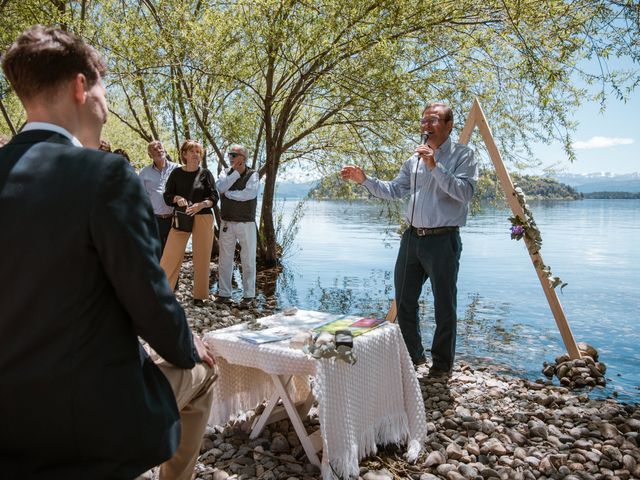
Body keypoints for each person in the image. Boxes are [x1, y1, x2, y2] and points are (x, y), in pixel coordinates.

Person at [0, 26, 216, 480]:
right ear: (82, 87)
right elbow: (150, 304)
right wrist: (186, 344)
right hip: (82, 422)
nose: (106, 102)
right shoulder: (105, 176)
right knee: (204, 372)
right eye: (104, 87)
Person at [341, 102, 478, 377]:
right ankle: (415, 356)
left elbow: (465, 193)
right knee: (404, 300)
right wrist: (365, 180)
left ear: (449, 125)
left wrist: (435, 166)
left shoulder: (464, 155)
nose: (426, 126)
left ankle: (441, 366)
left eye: (434, 120)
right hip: (412, 238)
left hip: (443, 240)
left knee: (444, 304)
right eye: (424, 121)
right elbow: (393, 190)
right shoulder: (412, 160)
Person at [161, 140, 218, 306]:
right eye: (192, 151)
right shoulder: (176, 173)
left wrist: (202, 205)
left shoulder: (206, 174)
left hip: (204, 217)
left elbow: (214, 197)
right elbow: (167, 196)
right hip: (182, 217)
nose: (195, 155)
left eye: (198, 152)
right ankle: (163, 293)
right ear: (184, 154)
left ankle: (200, 296)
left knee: (202, 257)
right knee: (169, 256)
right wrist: (176, 198)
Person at [215, 144, 260, 308]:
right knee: (225, 260)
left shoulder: (253, 174)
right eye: (230, 154)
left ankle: (248, 295)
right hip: (227, 222)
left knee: (248, 259)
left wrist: (229, 194)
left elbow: (249, 194)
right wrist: (235, 175)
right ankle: (224, 294)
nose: (231, 157)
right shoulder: (225, 172)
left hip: (246, 223)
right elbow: (219, 187)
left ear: (243, 157)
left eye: (234, 154)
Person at [139, 140, 179, 253]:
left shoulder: (178, 169)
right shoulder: (144, 173)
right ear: (149, 155)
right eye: (154, 149)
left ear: (164, 149)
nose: (158, 151)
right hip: (154, 220)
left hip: (174, 219)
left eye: (160, 147)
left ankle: (170, 271)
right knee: (156, 253)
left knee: (172, 253)